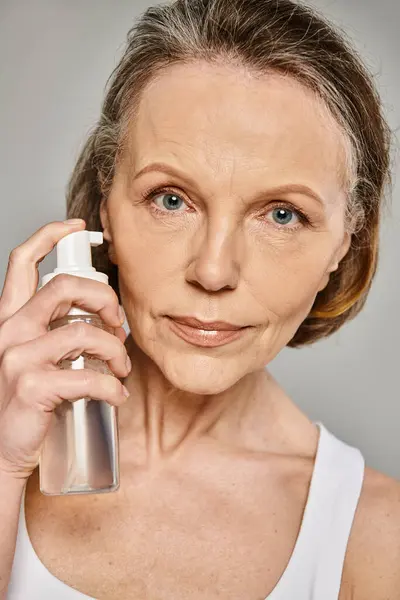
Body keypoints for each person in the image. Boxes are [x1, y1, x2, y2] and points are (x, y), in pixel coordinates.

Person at [1, 0, 399, 598]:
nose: (214, 271)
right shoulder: (8, 444)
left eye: (282, 214)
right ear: (106, 204)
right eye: (170, 199)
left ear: (344, 243)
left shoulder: (379, 542)